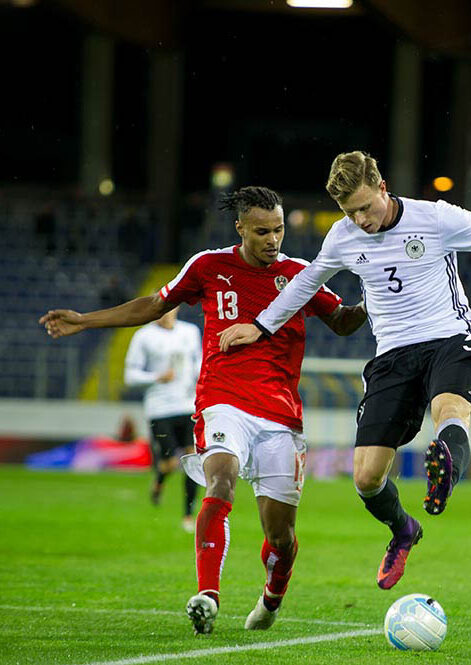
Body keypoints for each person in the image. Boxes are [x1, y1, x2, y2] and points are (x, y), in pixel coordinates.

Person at [218, 151, 471, 591]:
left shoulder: (434, 219)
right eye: (349, 212)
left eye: (365, 207)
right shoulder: (341, 237)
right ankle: (403, 529)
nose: (360, 220)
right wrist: (261, 325)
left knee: (450, 410)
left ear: (382, 187)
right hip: (392, 355)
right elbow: (308, 282)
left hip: (449, 337)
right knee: (366, 478)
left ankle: (445, 470)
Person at [39, 186, 367, 635]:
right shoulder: (209, 266)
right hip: (222, 400)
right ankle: (208, 595)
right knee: (221, 479)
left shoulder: (299, 274)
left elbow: (343, 322)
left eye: (279, 229)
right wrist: (86, 319)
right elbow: (155, 304)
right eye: (261, 232)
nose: (273, 240)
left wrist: (379, 298)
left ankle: (272, 596)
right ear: (240, 229)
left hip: (280, 416)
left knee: (280, 536)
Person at [124, 304, 202, 532]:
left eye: (171, 307)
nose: (167, 312)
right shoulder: (143, 336)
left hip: (188, 404)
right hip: (160, 408)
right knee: (169, 463)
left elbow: (198, 361)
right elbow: (130, 376)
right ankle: (159, 480)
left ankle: (188, 516)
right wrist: (157, 377)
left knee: (192, 459)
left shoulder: (190, 332)